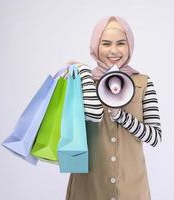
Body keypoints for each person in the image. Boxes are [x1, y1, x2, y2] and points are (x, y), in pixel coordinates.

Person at [65, 16, 162, 200]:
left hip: (131, 187)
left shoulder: (143, 84)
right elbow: (80, 121)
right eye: (106, 44)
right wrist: (83, 73)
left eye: (121, 43)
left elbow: (155, 137)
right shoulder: (81, 81)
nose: (114, 51)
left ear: (129, 45)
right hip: (88, 185)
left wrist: (122, 117)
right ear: (96, 46)